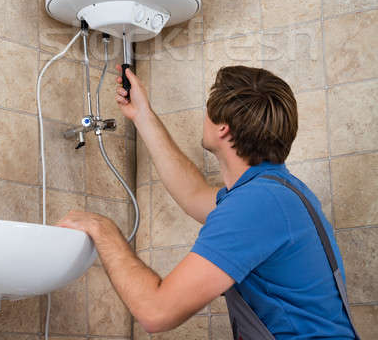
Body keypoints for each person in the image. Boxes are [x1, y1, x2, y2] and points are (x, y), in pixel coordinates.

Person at [57, 64, 359, 339]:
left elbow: (155, 312)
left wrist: (104, 228)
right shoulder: (277, 192)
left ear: (222, 128)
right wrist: (143, 115)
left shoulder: (257, 205)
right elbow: (192, 193)